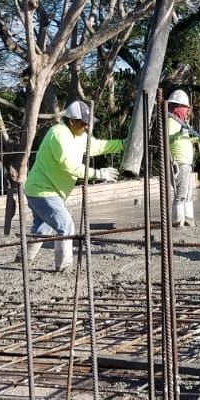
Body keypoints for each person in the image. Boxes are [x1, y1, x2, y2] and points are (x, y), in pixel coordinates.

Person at [21, 100, 122, 271]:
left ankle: (24, 259)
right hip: (43, 191)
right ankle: (64, 266)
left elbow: (96, 146)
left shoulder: (79, 135)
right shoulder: (58, 134)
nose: (86, 127)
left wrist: (122, 144)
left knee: (42, 228)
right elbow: (68, 165)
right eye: (83, 123)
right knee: (65, 226)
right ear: (71, 121)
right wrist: (98, 174)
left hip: (46, 190)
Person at [165, 89, 197, 227]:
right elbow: (167, 139)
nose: (185, 111)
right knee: (181, 194)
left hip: (186, 163)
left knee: (188, 193)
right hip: (179, 162)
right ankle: (178, 221)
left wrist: (198, 140)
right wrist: (179, 132)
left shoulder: (181, 123)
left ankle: (188, 219)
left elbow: (183, 140)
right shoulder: (172, 121)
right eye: (183, 108)